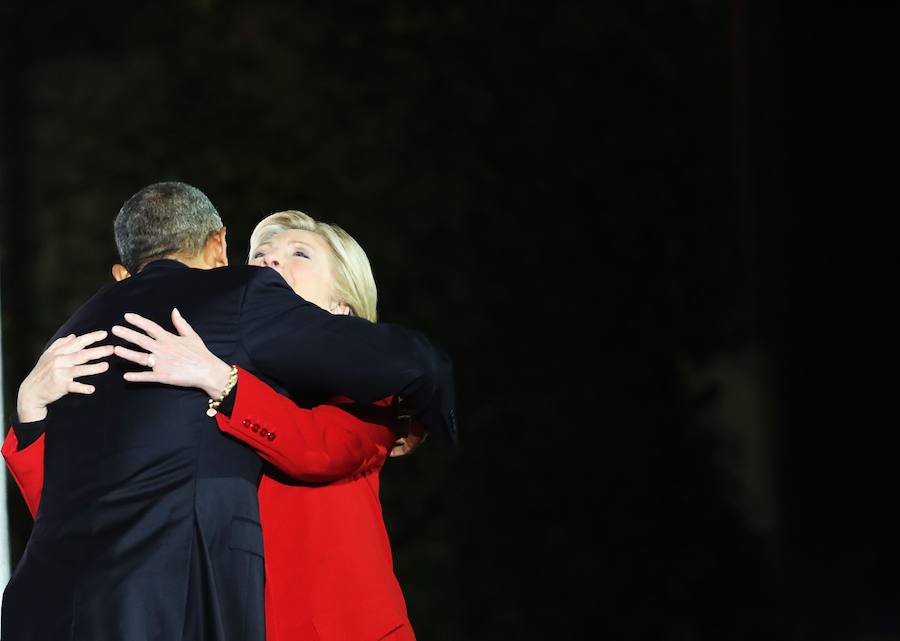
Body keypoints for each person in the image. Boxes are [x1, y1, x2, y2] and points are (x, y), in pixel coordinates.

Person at [0, 182, 455, 641]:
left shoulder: (363, 392)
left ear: (342, 303)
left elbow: (320, 450)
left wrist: (224, 383)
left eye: (300, 254)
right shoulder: (198, 369)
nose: (270, 261)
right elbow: (96, 504)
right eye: (259, 254)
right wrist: (30, 411)